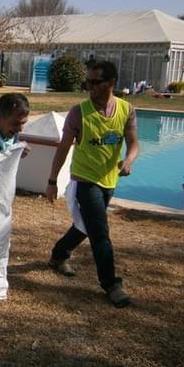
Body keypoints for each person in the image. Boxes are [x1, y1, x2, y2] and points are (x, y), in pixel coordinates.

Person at [45, 60, 139, 308]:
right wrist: (52, 181)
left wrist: (128, 160)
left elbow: (134, 143)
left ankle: (58, 255)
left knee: (85, 226)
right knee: (100, 231)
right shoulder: (79, 112)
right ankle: (111, 284)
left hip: (109, 179)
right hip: (84, 180)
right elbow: (63, 148)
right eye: (87, 82)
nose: (90, 87)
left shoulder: (126, 110)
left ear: (112, 83)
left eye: (96, 82)